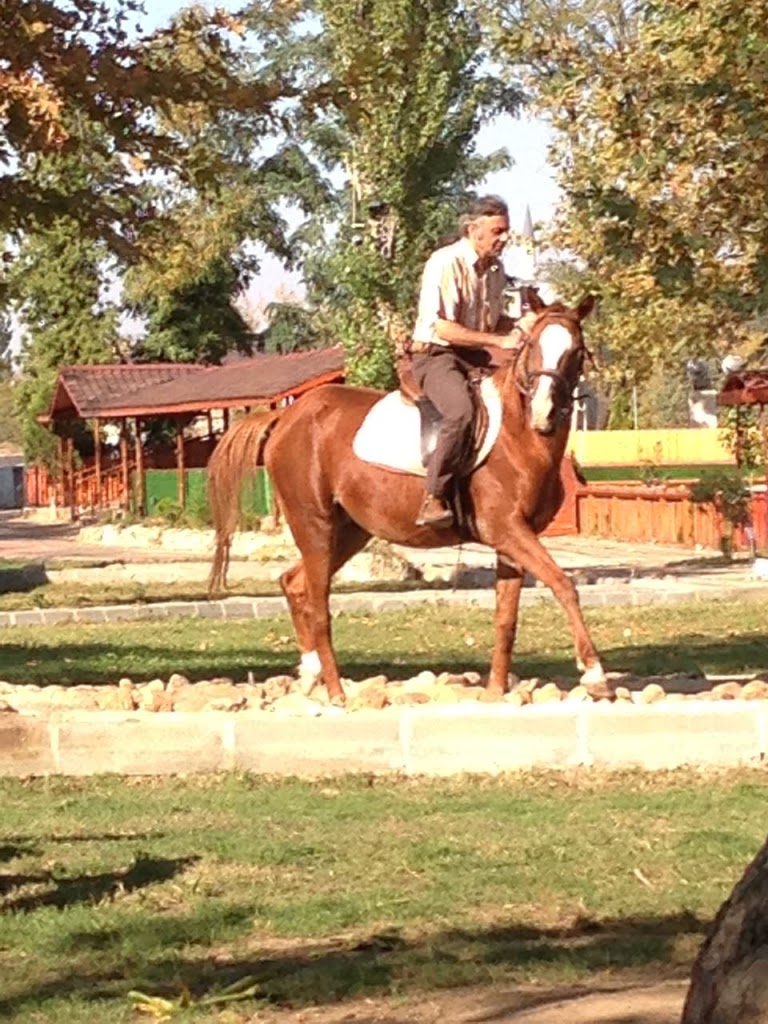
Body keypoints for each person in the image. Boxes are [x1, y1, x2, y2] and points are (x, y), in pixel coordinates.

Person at [409, 195, 535, 529]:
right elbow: (444, 328)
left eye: (506, 231)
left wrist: (522, 324)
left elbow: (491, 323)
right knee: (461, 412)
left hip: (472, 355)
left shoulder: (496, 269)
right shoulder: (445, 263)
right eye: (498, 231)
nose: (505, 238)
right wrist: (499, 341)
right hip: (435, 356)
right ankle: (433, 496)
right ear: (473, 230)